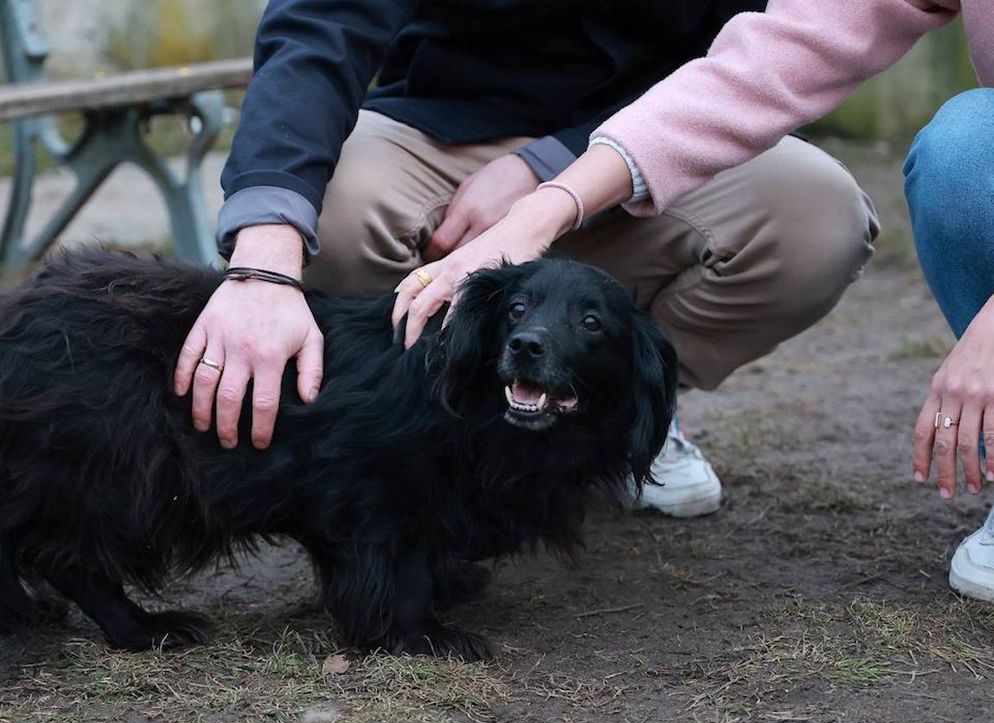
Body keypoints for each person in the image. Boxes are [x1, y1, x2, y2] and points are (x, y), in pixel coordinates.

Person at [176, 0, 880, 521]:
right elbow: (319, 27)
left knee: (818, 218)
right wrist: (263, 264)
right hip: (438, 127)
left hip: (657, 137)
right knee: (331, 210)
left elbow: (750, 62)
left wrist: (547, 170)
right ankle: (429, 429)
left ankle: (620, 414)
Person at [386, 0, 994, 601]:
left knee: (964, 152)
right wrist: (545, 206)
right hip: (452, 123)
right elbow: (771, 61)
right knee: (969, 149)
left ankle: (626, 412)